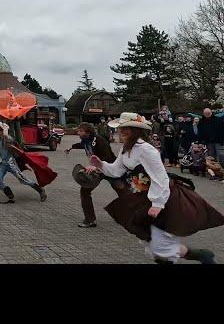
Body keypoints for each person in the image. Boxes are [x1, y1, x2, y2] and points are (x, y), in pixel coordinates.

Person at [86, 112, 224, 264]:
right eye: (121, 128)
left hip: (162, 198)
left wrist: (158, 203)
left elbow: (161, 177)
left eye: (126, 129)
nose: (121, 132)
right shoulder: (126, 148)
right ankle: (202, 255)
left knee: (160, 245)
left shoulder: (146, 149)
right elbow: (116, 170)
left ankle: (202, 255)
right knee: (153, 244)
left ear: (136, 131)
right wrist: (100, 165)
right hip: (142, 198)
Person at [65, 122, 127, 228]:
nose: (78, 132)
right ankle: (90, 220)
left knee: (124, 193)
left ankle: (134, 216)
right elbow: (82, 145)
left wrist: (96, 166)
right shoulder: (86, 140)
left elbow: (107, 157)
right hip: (97, 170)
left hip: (110, 170)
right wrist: (71, 147)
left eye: (80, 131)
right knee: (85, 191)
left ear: (87, 132)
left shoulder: (100, 141)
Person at [0, 122, 46, 203]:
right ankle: (9, 195)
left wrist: (6, 129)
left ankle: (40, 190)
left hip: (11, 164)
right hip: (3, 164)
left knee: (23, 179)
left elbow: (7, 138)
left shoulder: (9, 138)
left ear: (3, 130)